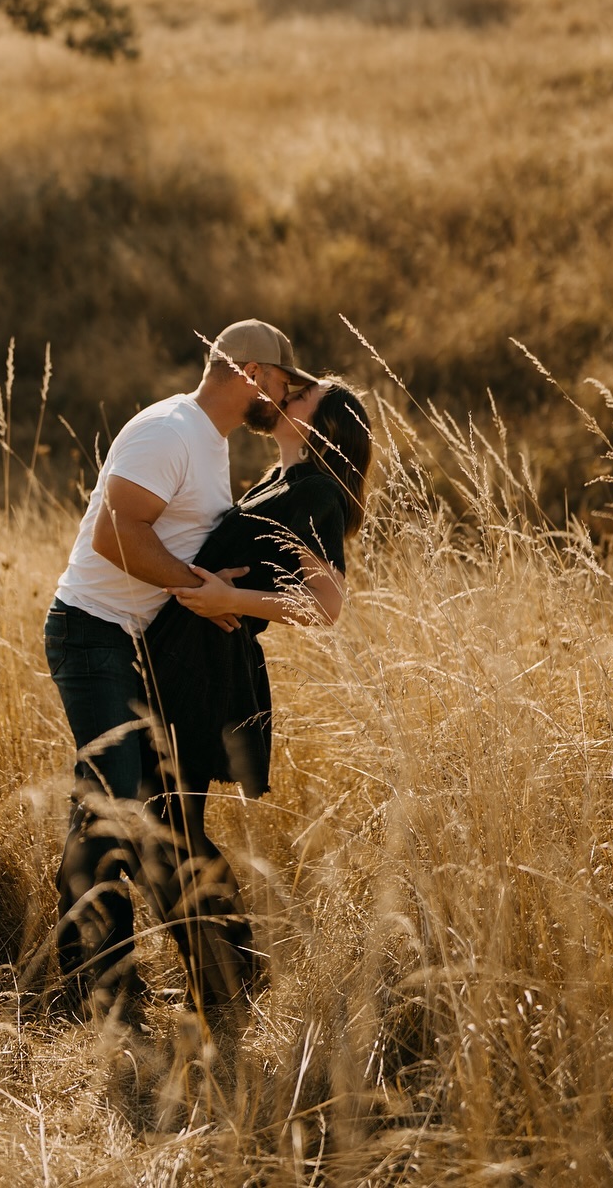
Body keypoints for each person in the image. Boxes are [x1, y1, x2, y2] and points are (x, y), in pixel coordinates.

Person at [43, 319, 315, 1026]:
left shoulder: (209, 443)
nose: (280, 400)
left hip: (136, 645)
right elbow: (113, 533)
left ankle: (126, 978)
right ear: (253, 372)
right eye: (282, 385)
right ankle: (102, 993)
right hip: (93, 637)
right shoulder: (170, 429)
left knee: (126, 806)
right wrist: (192, 585)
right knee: (116, 807)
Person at [140, 378, 374, 1015]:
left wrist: (229, 602)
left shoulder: (317, 492)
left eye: (301, 395)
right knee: (163, 820)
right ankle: (229, 978)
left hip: (209, 666)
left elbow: (326, 607)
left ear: (321, 424)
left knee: (165, 822)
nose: (286, 395)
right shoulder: (278, 480)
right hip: (184, 654)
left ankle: (228, 981)